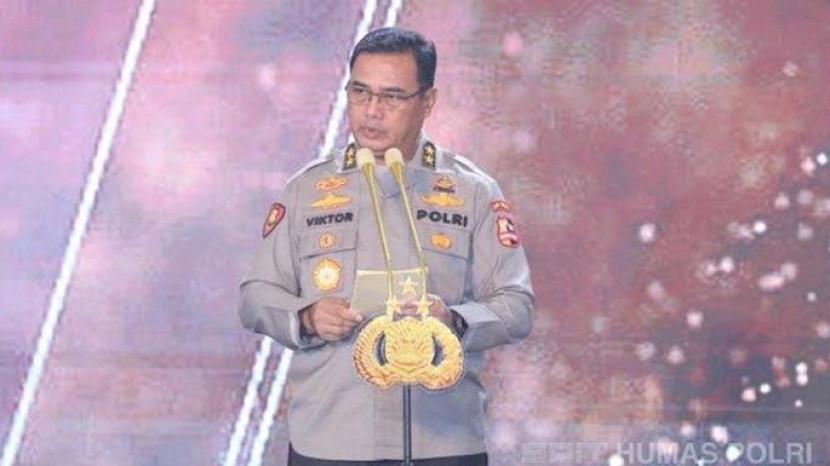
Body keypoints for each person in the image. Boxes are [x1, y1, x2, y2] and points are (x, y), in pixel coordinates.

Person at [239, 27, 534, 465]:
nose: (372, 111)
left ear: (427, 102)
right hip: (331, 444)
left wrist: (453, 319)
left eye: (392, 97)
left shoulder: (472, 191)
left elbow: (517, 307)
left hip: (443, 445)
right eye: (360, 92)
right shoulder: (306, 190)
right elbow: (255, 297)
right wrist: (306, 317)